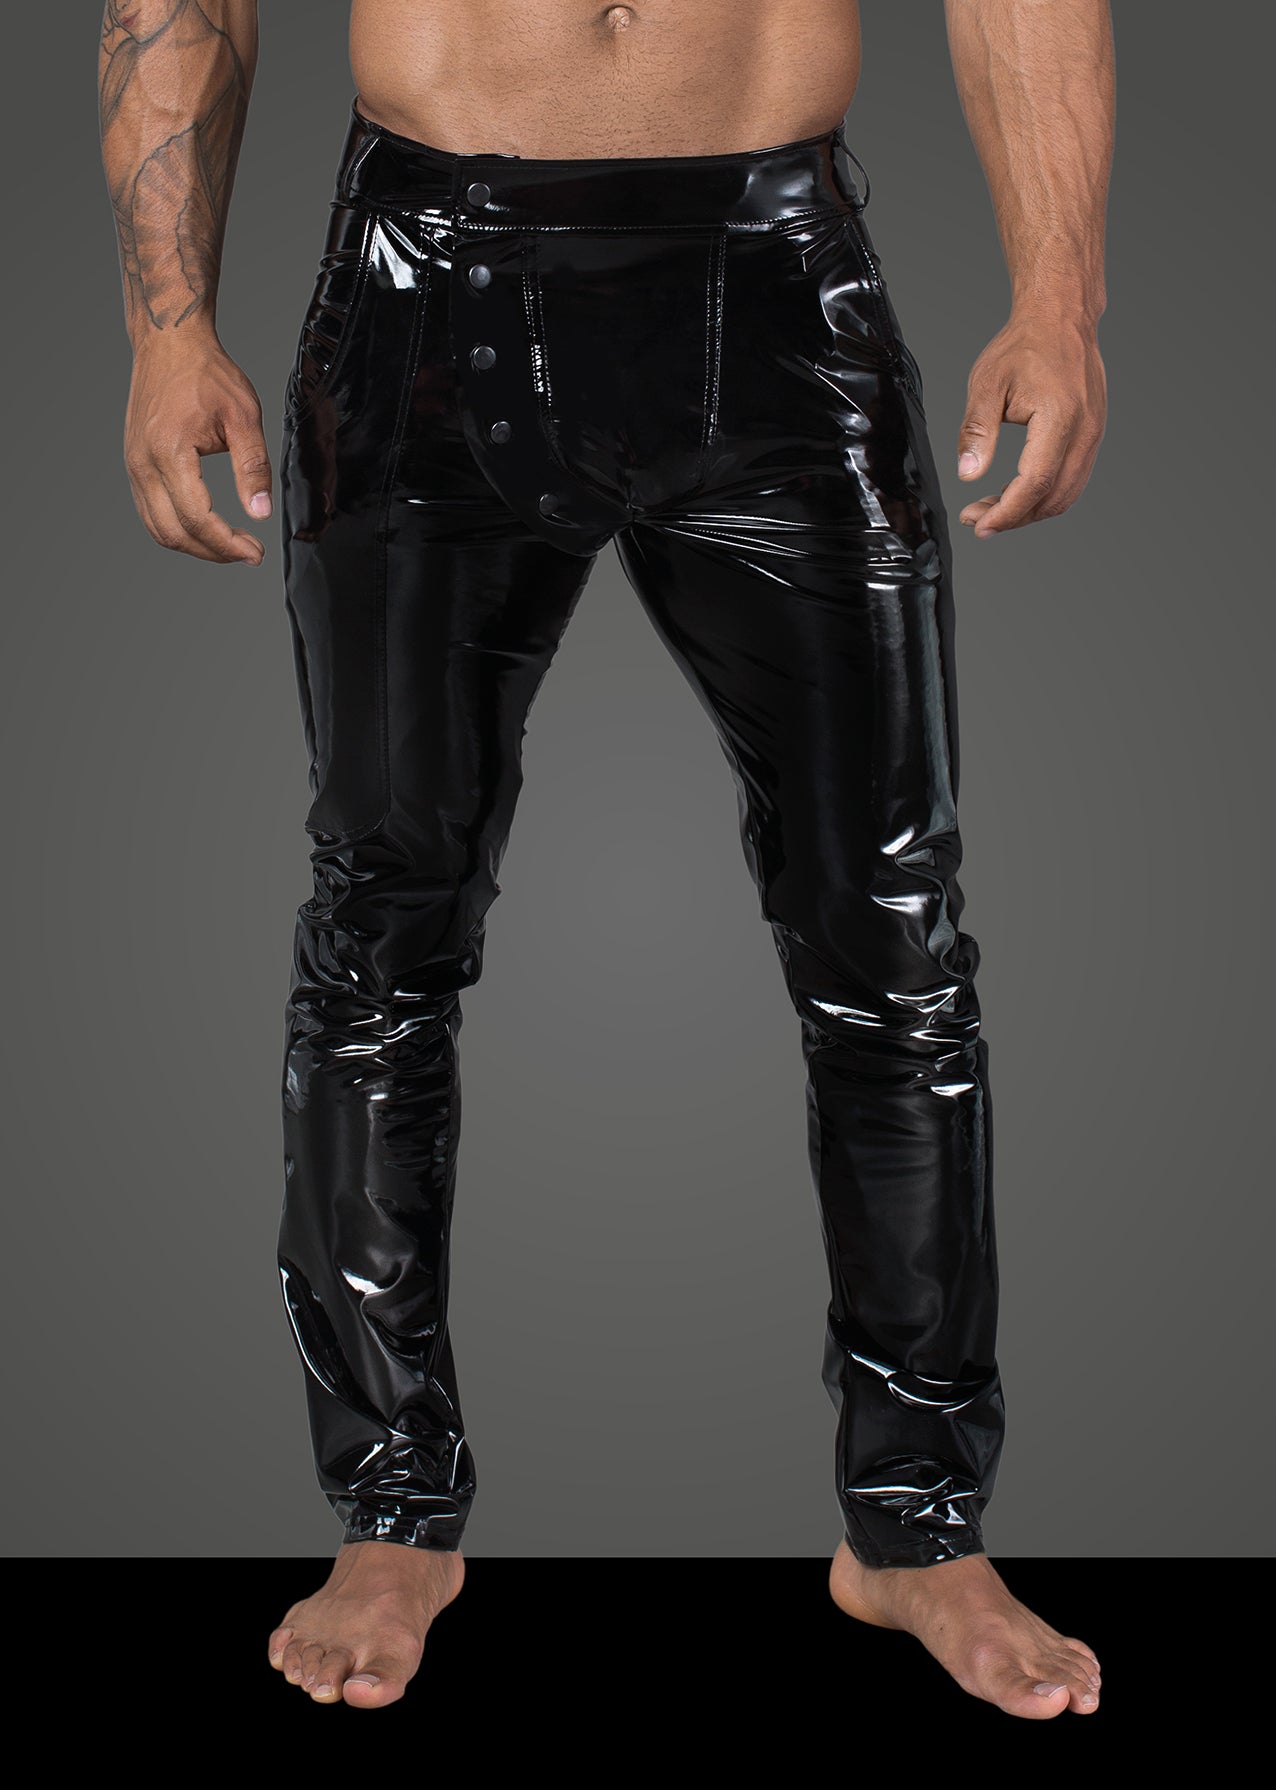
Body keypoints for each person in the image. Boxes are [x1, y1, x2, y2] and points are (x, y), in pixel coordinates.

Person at [100, 0, 1112, 1717]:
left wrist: (1060, 297)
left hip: (779, 278)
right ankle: (392, 1513)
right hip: (431, 280)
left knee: (890, 939)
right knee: (385, 926)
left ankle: (918, 1526)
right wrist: (165, 323)